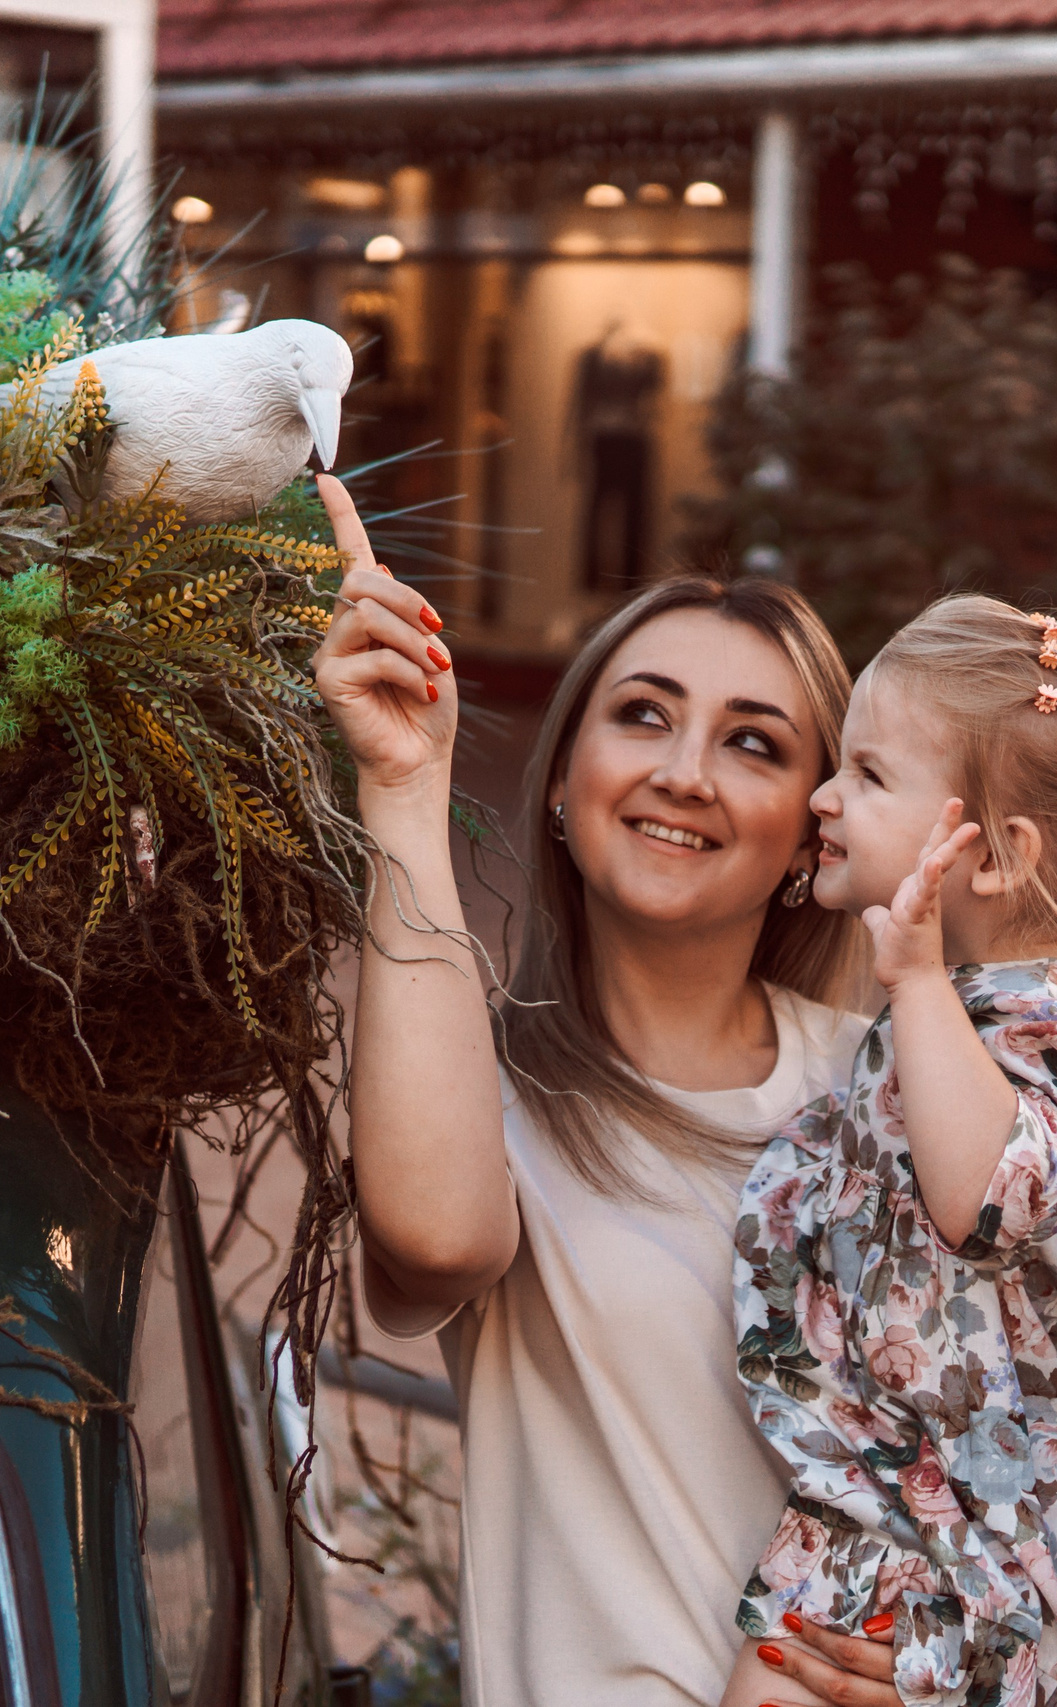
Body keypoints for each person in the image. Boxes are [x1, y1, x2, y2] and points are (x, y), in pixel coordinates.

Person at [308, 481, 902, 1707]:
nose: (685, 772)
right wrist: (407, 795)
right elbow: (434, 1238)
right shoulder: (480, 1096)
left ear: (809, 836)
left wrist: (932, 1642)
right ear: (567, 784)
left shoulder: (887, 1090)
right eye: (643, 716)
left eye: (753, 742)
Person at [722, 597, 1057, 1707]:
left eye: (866, 775)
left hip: (977, 1511)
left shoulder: (1048, 1015)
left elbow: (988, 1202)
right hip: (927, 1482)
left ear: (998, 858)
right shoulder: (974, 1002)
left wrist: (909, 978)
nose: (824, 796)